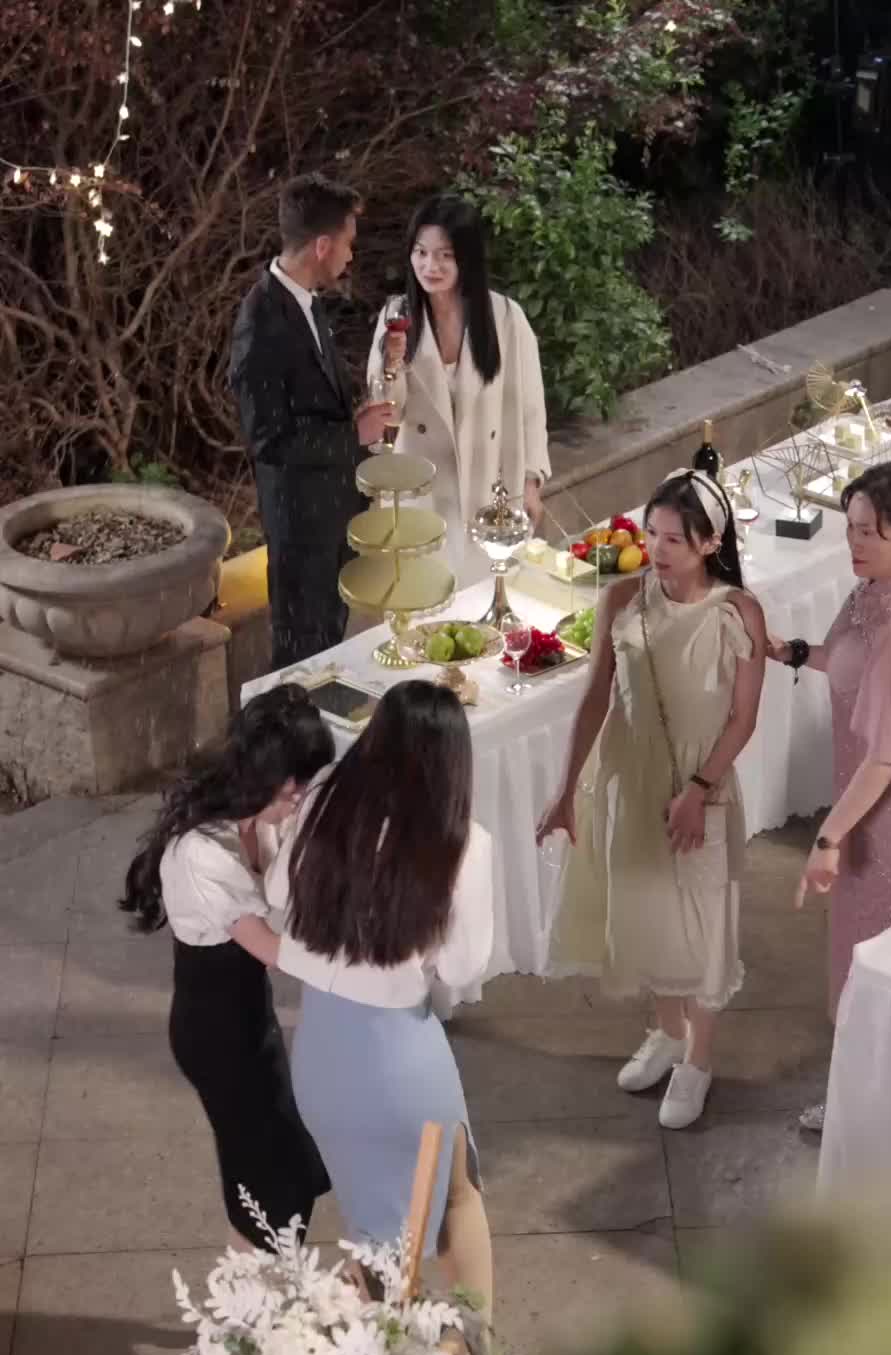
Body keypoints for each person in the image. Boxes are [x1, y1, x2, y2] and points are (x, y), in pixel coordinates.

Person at [538, 469, 767, 1131]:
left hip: (703, 785)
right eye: (652, 534)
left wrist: (699, 790)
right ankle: (668, 1032)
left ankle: (699, 1059)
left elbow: (743, 719)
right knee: (645, 911)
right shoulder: (620, 600)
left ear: (710, 542)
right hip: (631, 780)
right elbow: (595, 699)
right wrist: (565, 791)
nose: (657, 550)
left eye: (674, 539)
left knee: (704, 922)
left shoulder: (737, 612)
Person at [265, 681, 495, 1318]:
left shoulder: (322, 804)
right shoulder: (463, 844)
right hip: (400, 1060)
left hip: (320, 1058)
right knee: (455, 1200)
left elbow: (279, 895)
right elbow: (462, 967)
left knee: (373, 1231)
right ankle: (475, 1350)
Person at [767, 461, 891, 1133]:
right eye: (850, 527)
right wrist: (796, 652)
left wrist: (829, 838)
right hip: (877, 809)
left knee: (883, 977)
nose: (854, 544)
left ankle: (878, 1118)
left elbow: (886, 755)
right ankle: (877, 1104)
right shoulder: (885, 584)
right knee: (874, 969)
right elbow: (852, 659)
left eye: (871, 533)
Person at [119, 686, 335, 1248]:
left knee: (286, 1158)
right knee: (263, 1180)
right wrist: (360, 961)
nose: (300, 797)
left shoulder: (256, 816)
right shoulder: (201, 855)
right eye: (294, 787)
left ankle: (273, 1274)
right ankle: (254, 1289)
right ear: (264, 777)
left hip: (248, 1018)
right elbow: (273, 951)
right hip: (216, 1035)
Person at [229, 172, 393, 669]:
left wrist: (355, 416)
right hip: (301, 530)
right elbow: (268, 441)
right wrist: (352, 434)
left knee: (327, 650)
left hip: (331, 515)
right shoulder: (260, 323)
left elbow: (311, 405)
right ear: (322, 246)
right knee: (300, 663)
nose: (351, 255)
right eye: (348, 243)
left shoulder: (305, 301)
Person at [369, 192, 549, 584]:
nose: (429, 266)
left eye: (444, 255)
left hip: (490, 490)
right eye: (420, 252)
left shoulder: (506, 317)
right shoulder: (396, 315)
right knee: (426, 602)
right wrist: (391, 363)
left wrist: (531, 482)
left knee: (488, 598)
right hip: (422, 492)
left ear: (466, 258)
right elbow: (387, 414)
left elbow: (531, 409)